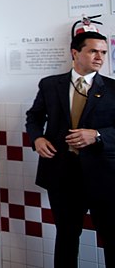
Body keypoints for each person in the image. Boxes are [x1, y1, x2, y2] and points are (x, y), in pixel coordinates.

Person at [25, 31, 115, 267]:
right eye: (93, 51)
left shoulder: (113, 89)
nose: (100, 57)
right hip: (62, 175)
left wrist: (96, 135)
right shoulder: (49, 85)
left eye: (103, 52)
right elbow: (33, 117)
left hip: (104, 177)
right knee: (66, 237)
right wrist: (37, 139)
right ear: (75, 52)